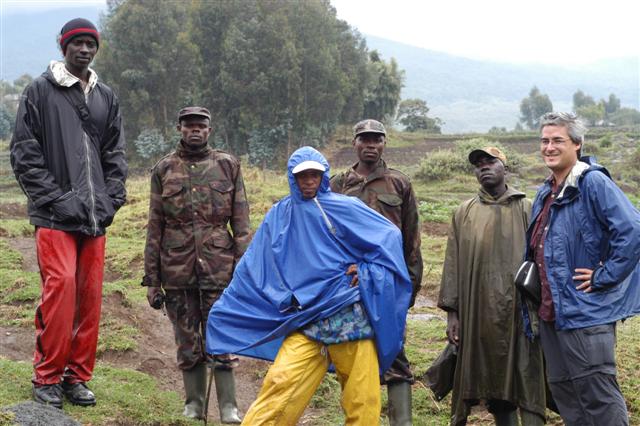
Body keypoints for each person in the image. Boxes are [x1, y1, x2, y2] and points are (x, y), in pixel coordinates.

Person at [205, 146, 412, 425]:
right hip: (306, 318)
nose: (309, 182)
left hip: (350, 316)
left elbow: (388, 239)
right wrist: (226, 308)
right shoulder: (280, 215)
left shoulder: (345, 207)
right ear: (292, 177)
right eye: (303, 176)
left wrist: (366, 271)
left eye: (315, 175)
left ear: (323, 175)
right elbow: (255, 265)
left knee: (362, 398)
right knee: (281, 384)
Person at [9, 18, 127, 409]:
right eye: (76, 43)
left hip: (95, 218)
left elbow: (114, 154)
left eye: (90, 44)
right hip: (55, 217)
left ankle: (76, 377)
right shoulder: (39, 92)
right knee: (60, 292)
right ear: (64, 47)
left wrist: (113, 198)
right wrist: (57, 199)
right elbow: (25, 154)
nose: (84, 50)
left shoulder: (105, 96)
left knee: (90, 299)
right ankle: (46, 377)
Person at [525, 112, 640, 425]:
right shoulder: (545, 192)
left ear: (576, 144)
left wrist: (605, 276)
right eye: (545, 140)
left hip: (586, 312)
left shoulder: (593, 182)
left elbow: (632, 230)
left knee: (597, 395)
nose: (549, 147)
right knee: (566, 393)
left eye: (557, 140)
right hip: (553, 312)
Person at [142, 106, 250, 423]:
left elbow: (241, 224)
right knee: (187, 341)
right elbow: (155, 226)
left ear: (209, 130)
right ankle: (194, 404)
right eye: (189, 126)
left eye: (200, 126)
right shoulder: (164, 170)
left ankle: (228, 406)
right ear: (179, 128)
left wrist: (244, 272)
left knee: (222, 336)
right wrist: (152, 280)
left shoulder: (228, 166)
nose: (195, 131)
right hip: (176, 268)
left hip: (220, 267)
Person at [438, 147, 545, 425]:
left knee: (526, 374)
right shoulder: (464, 212)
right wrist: (453, 314)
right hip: (477, 310)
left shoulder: (528, 207)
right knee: (491, 377)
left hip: (520, 311)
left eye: (490, 162)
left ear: (505, 168)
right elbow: (452, 264)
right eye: (478, 164)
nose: (484, 167)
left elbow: (542, 260)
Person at [330, 119, 422, 425]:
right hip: (350, 282)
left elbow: (411, 238)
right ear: (355, 143)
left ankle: (401, 420)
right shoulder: (338, 184)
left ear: (384, 143)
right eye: (365, 139)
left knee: (394, 348)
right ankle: (360, 416)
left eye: (377, 140)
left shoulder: (399, 183)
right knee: (352, 349)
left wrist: (410, 286)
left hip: (388, 281)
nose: (371, 145)